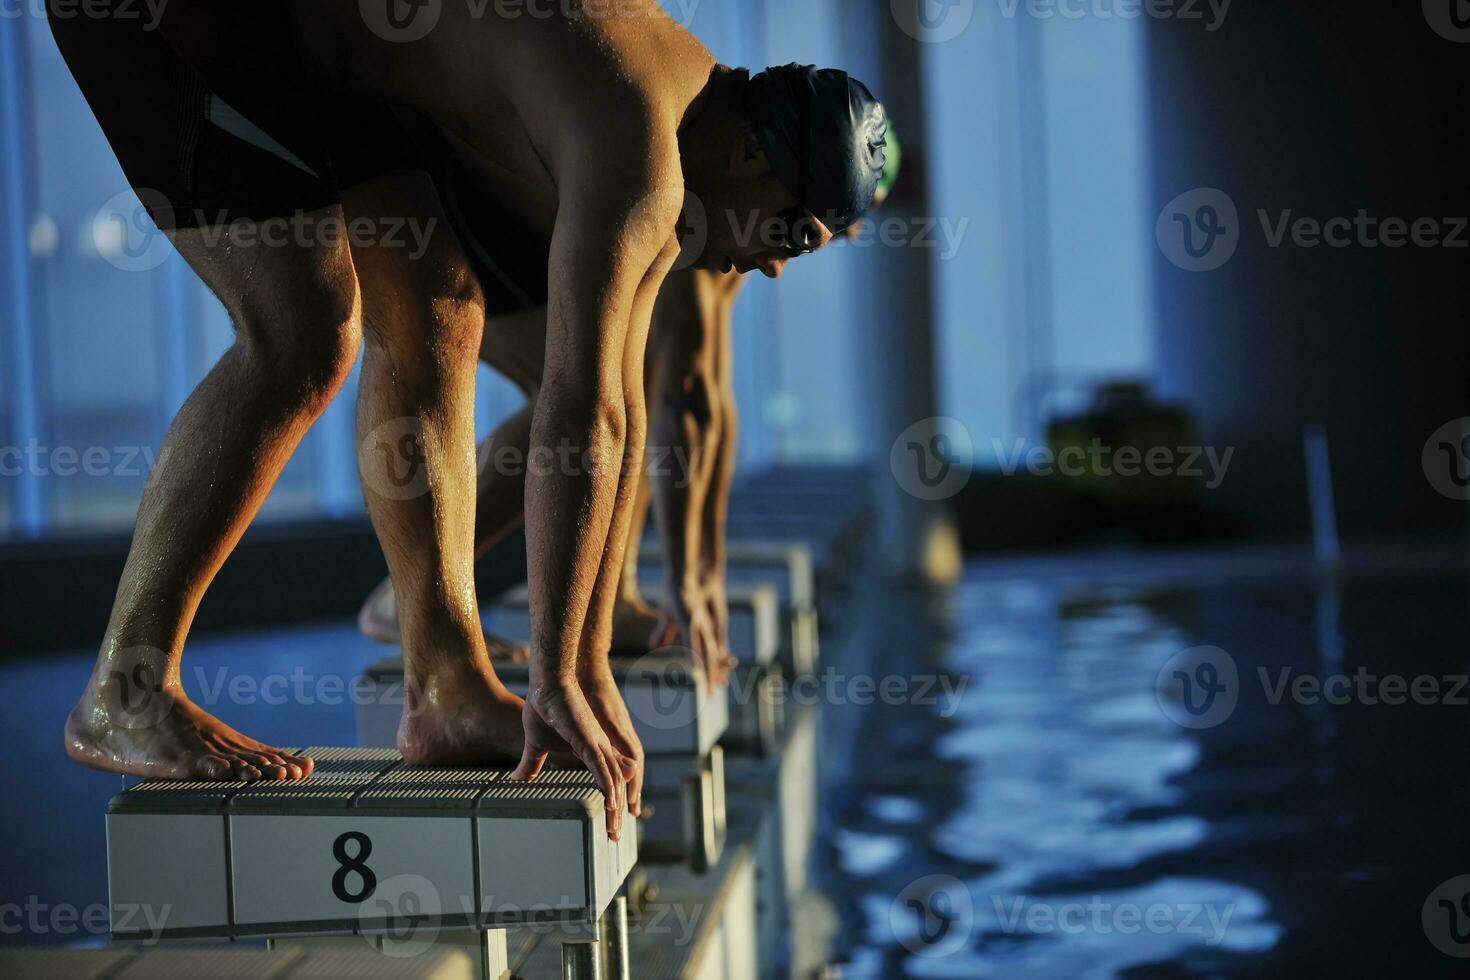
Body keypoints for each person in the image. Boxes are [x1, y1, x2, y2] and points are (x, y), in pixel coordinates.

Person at [52, 0, 886, 841]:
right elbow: (581, 409)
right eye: (797, 232)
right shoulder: (637, 143)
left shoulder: (673, 130)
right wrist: (560, 673)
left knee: (442, 310)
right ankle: (124, 690)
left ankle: (446, 685)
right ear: (751, 152)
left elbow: (623, 413)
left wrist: (585, 658)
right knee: (304, 334)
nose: (778, 264)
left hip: (320, 54)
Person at [359, 126, 904, 688]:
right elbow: (683, 398)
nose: (846, 234)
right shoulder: (705, 198)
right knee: (598, 391)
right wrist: (686, 581)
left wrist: (703, 570)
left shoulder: (751, 220)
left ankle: (611, 596)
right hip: (462, 207)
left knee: (617, 386)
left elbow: (712, 394)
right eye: (839, 219)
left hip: (503, 217)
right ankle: (412, 596)